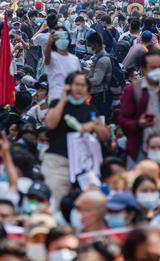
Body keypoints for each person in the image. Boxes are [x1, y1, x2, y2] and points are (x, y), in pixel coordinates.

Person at [42, 71, 110, 209]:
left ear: (87, 89)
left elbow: (105, 136)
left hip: (82, 166)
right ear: (68, 86)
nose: (79, 88)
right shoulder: (57, 103)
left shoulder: (91, 109)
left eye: (83, 85)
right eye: (76, 84)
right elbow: (50, 124)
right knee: (55, 203)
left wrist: (93, 125)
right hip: (58, 162)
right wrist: (63, 99)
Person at [118, 52, 160, 165]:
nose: (158, 71)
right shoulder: (132, 91)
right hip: (139, 150)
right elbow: (123, 120)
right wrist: (138, 124)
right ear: (143, 69)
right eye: (153, 68)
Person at [43, 26, 82, 101]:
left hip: (71, 100)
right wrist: (49, 43)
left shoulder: (74, 59)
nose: (62, 39)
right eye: (59, 36)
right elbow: (47, 58)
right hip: (56, 100)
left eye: (64, 35)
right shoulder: (52, 57)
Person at [85, 32, 113, 119]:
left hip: (100, 96)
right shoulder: (98, 56)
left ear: (95, 44)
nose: (89, 48)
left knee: (99, 119)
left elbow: (97, 80)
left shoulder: (102, 60)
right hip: (97, 94)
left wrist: (82, 81)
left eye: (90, 45)